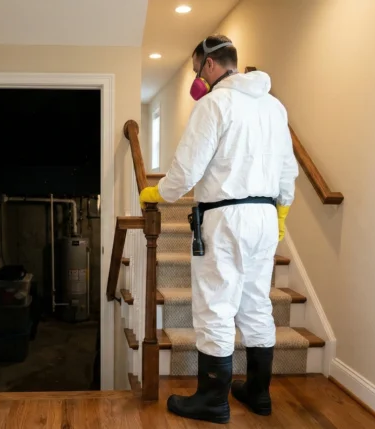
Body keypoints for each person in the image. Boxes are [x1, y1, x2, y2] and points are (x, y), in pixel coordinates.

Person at [139, 35, 299, 423]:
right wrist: (281, 214)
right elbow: (287, 168)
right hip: (265, 216)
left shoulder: (214, 104)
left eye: (197, 70)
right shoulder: (274, 107)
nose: (197, 78)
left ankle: (213, 399)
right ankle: (258, 394)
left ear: (210, 65)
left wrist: (157, 193)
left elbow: (188, 168)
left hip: (225, 217)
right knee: (256, 303)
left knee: (215, 305)